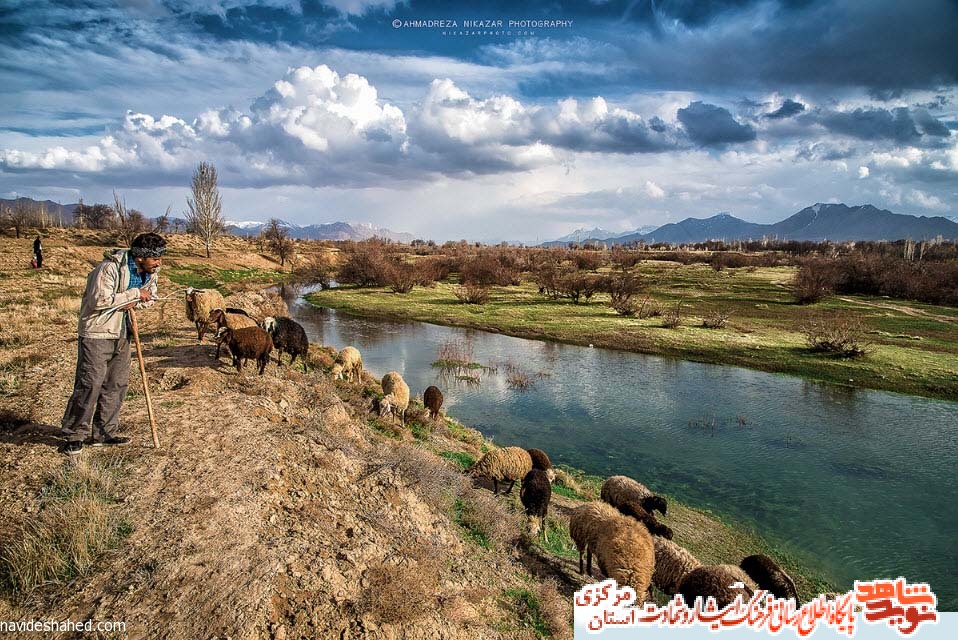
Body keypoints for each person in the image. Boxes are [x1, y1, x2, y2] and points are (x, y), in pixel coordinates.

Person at [60, 232, 166, 455]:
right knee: (90, 384)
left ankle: (104, 433)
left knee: (116, 384)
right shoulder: (108, 269)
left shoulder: (149, 272)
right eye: (155, 258)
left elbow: (150, 296)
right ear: (140, 257)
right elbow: (98, 300)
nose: (159, 263)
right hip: (98, 332)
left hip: (122, 331)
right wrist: (133, 295)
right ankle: (74, 434)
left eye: (160, 258)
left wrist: (138, 300)